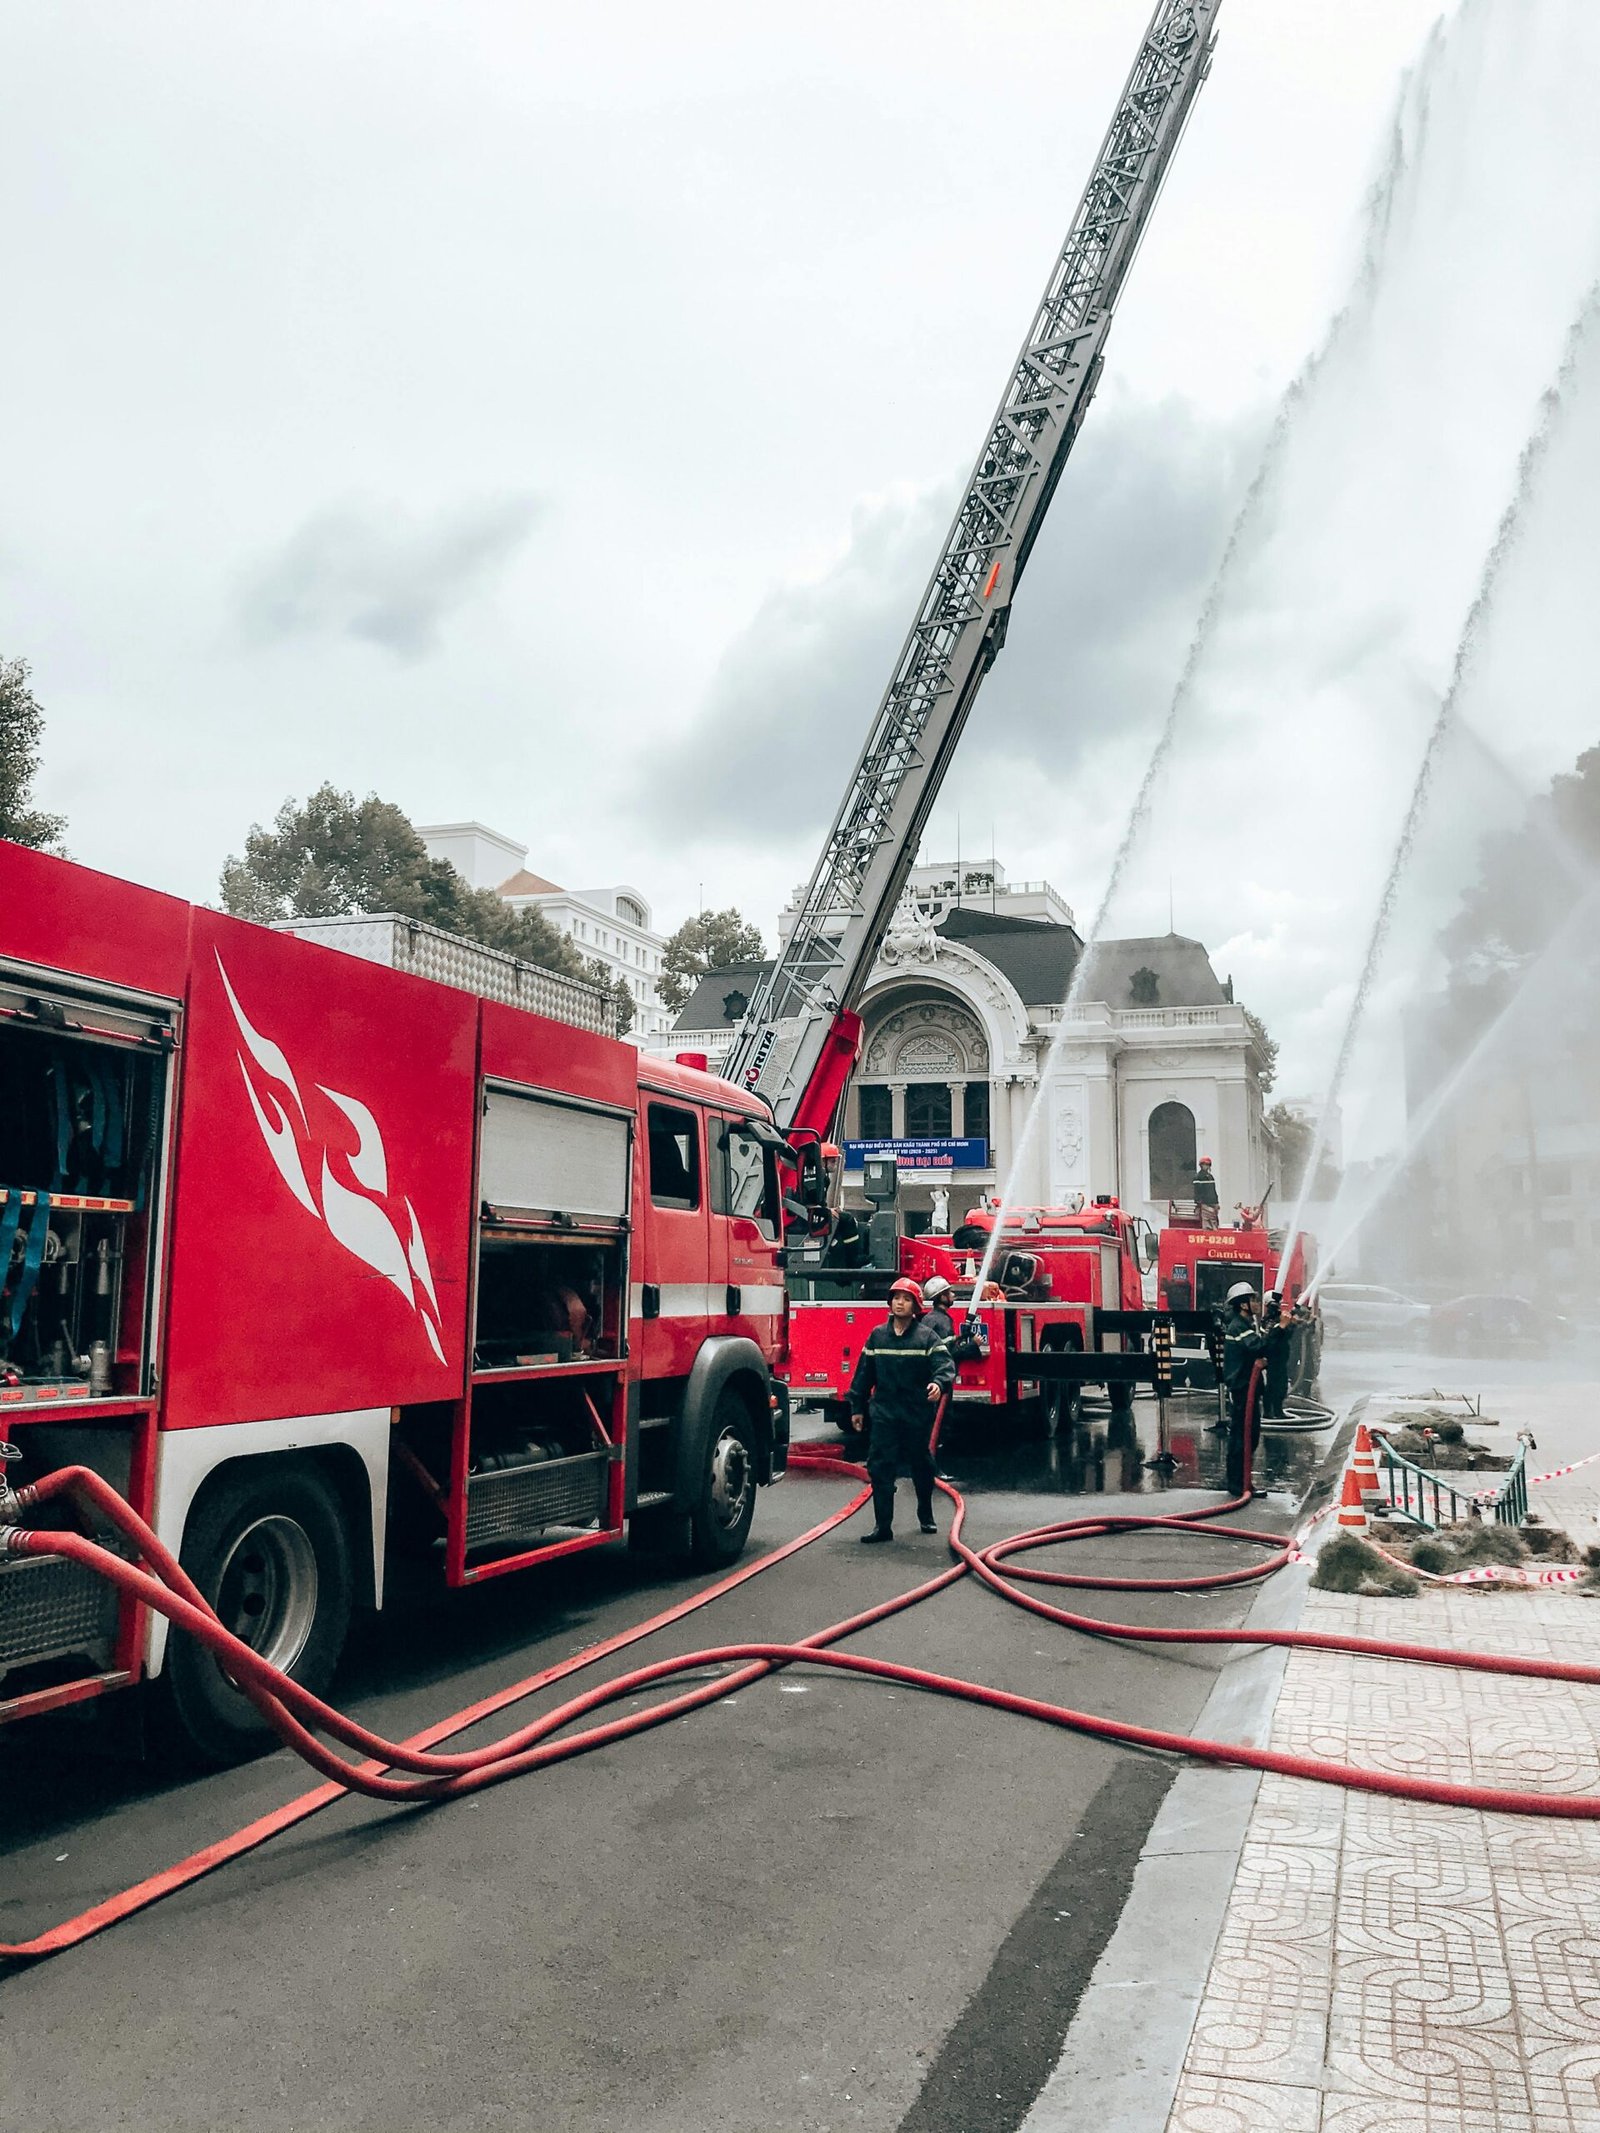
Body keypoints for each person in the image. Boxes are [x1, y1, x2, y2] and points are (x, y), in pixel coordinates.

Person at [848, 1277, 956, 1541]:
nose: (900, 1303)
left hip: (916, 1414)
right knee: (880, 1466)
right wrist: (857, 1407)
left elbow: (945, 1366)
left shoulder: (926, 1337)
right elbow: (863, 1374)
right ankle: (883, 1527)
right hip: (884, 1414)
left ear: (916, 1305)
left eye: (906, 1299)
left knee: (921, 1464)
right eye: (896, 1298)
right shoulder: (877, 1336)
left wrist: (938, 1383)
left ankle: (925, 1514)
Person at [1220, 1280, 1268, 1496]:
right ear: (1243, 1305)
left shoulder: (1246, 1324)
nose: (1257, 1303)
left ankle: (1243, 1482)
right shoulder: (1238, 1326)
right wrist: (1280, 1329)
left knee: (1249, 1436)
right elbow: (1258, 1347)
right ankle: (1237, 1484)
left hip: (1248, 1388)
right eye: (1253, 1300)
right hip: (1242, 1389)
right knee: (1242, 1437)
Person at [920, 1274, 957, 1346]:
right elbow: (947, 1347)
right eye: (949, 1292)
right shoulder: (942, 1320)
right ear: (943, 1297)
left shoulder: (928, 1317)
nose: (953, 1294)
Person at [1192, 1157, 1220, 1228]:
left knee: (1214, 1223)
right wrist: (1199, 1203)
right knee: (1207, 1224)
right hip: (1204, 1204)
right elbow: (1197, 1191)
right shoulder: (1198, 1177)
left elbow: (1213, 1190)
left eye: (1208, 1164)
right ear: (1201, 1165)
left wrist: (1216, 1202)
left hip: (1213, 1203)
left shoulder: (1210, 1177)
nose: (1206, 1166)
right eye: (1204, 1164)